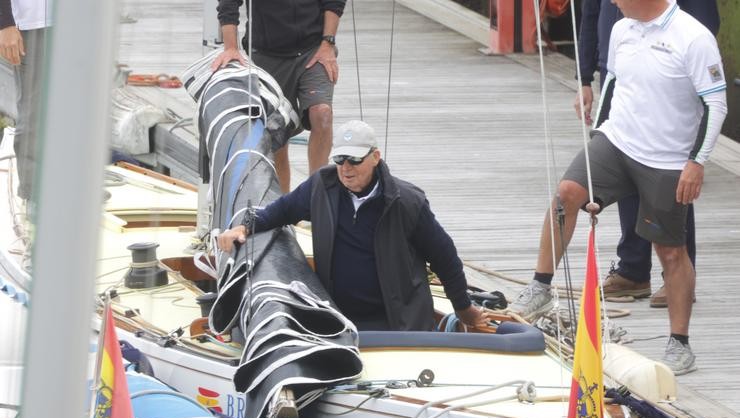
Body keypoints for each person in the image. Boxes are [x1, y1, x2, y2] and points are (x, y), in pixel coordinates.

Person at [511, 0, 727, 375]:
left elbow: (716, 104)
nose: (611, 2)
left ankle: (680, 344)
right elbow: (612, 80)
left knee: (670, 251)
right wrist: (599, 136)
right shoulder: (621, 28)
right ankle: (541, 287)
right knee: (566, 194)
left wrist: (696, 162)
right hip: (616, 142)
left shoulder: (694, 37)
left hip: (667, 159)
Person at [218, 120, 489, 331]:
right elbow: (282, 210)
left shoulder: (408, 202)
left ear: (375, 156)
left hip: (399, 326)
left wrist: (463, 308)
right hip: (341, 321)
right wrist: (245, 226)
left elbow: (445, 257)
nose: (346, 168)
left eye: (355, 160)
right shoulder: (321, 187)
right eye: (340, 159)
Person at [574, 0, 719, 307]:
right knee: (624, 157)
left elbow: (705, 20)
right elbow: (591, 10)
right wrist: (584, 76)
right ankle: (633, 269)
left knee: (668, 179)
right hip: (618, 54)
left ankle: (678, 277)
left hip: (670, 62)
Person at [211, 0, 345, 194]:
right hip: (267, 53)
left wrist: (328, 43)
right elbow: (228, 3)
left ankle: (317, 199)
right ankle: (283, 207)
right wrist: (231, 47)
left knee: (322, 115)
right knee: (277, 133)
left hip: (314, 49)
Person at [0, 0, 52, 206]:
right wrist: (4, 24)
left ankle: (73, 185)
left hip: (77, 24)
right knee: (34, 112)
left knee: (76, 112)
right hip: (33, 23)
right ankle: (33, 194)